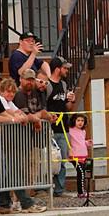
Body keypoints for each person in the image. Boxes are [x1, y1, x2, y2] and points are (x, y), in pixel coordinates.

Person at [0, 71, 45, 213]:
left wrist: (21, 118)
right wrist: (13, 120)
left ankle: (0, 203)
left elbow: (6, 112)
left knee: (2, 172)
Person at [47, 57, 77, 196]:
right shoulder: (48, 85)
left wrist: (71, 100)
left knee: (62, 160)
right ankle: (45, 189)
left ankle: (59, 190)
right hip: (50, 129)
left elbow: (67, 108)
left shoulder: (64, 85)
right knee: (49, 160)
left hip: (63, 128)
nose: (67, 71)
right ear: (57, 68)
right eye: (65, 68)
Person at [68, 114, 92, 197]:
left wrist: (87, 143)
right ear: (74, 121)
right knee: (80, 173)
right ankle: (81, 192)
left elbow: (81, 142)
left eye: (82, 121)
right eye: (78, 120)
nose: (80, 122)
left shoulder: (83, 131)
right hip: (75, 156)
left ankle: (83, 191)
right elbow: (69, 143)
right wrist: (69, 153)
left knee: (83, 174)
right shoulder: (70, 130)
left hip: (83, 155)